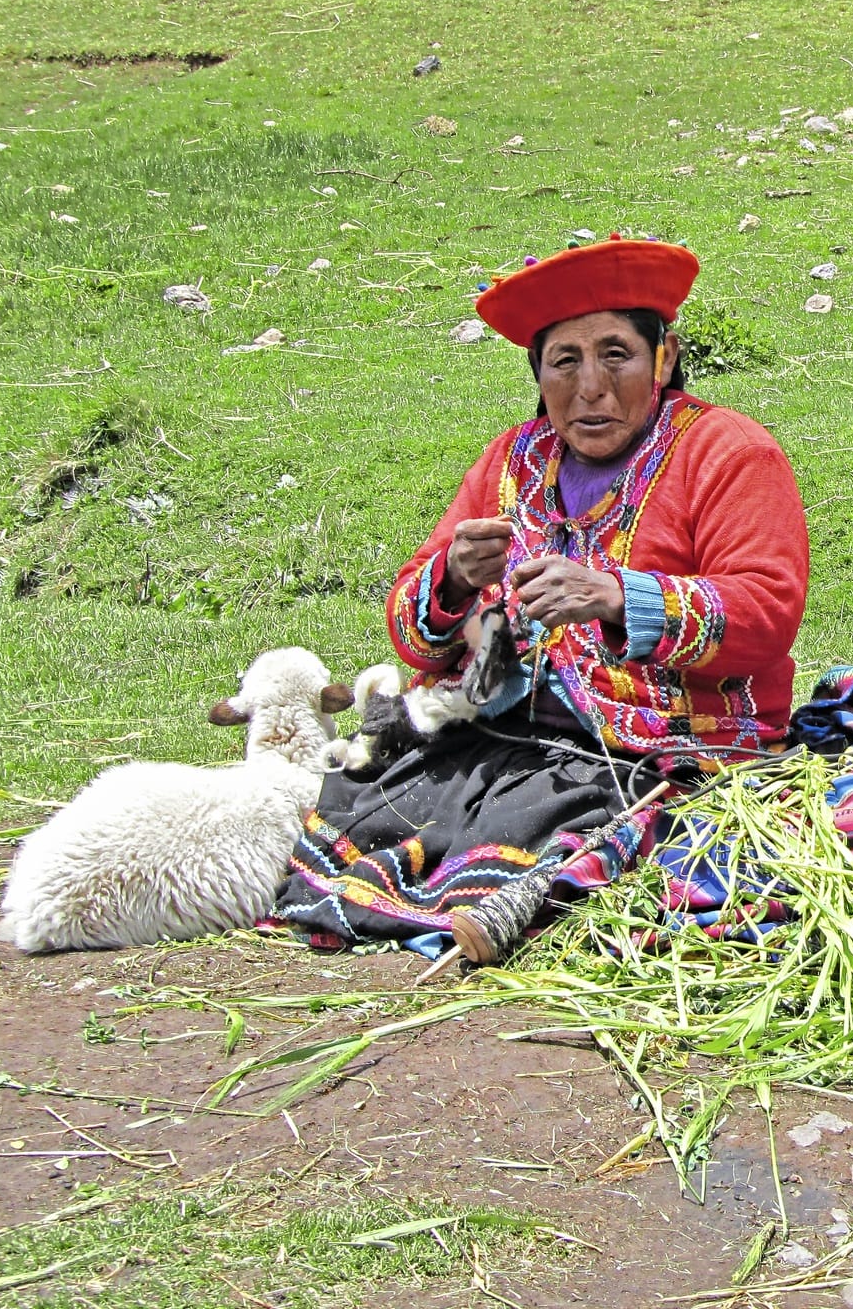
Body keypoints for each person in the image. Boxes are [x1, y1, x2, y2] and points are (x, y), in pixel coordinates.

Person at [272, 235, 810, 944]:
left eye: (616, 354)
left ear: (664, 358)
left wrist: (615, 596)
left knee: (546, 827)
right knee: (376, 813)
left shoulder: (729, 454)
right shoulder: (513, 461)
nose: (591, 387)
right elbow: (410, 634)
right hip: (498, 734)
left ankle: (500, 907)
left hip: (652, 753)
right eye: (565, 361)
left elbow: (767, 613)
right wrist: (453, 579)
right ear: (539, 371)